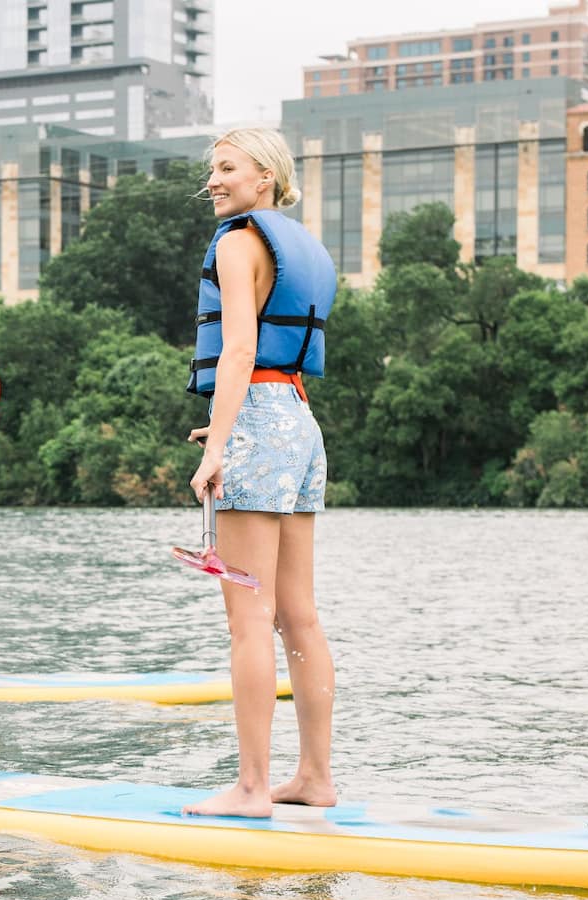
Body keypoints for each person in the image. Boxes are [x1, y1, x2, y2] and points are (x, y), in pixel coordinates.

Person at [180, 129, 340, 819]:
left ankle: (251, 788)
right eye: (211, 170)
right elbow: (267, 363)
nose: (212, 181)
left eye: (226, 168)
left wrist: (220, 446)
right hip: (297, 421)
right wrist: (224, 429)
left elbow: (240, 347)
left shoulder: (237, 242)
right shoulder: (296, 241)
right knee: (297, 615)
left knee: (249, 620)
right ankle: (313, 777)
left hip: (259, 420)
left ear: (265, 176)